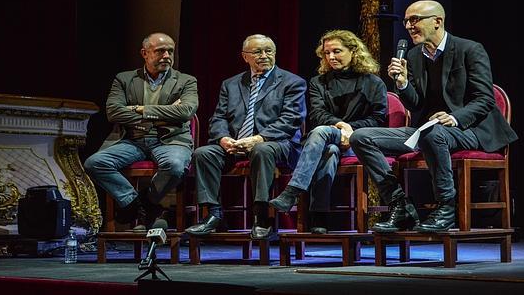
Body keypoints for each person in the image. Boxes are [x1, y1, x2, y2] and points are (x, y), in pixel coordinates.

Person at [350, 0, 518, 233]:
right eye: (407, 21)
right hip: (430, 129)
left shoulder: (469, 49)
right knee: (360, 137)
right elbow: (416, 103)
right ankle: (400, 204)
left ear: (437, 21)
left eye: (415, 19)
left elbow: (485, 99)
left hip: (473, 129)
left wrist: (455, 117)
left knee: (433, 133)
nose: (409, 26)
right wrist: (403, 83)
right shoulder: (414, 55)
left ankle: (446, 207)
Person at [186, 34, 307, 240]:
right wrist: (224, 139)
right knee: (203, 153)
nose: (264, 55)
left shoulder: (292, 82)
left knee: (261, 150)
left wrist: (258, 139)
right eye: (257, 52)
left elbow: (291, 119)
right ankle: (213, 215)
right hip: (236, 144)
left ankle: (262, 216)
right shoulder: (231, 84)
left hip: (277, 144)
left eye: (269, 51)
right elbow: (219, 118)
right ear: (245, 57)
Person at [269, 30, 387, 234]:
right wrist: (341, 126)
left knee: (325, 140)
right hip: (323, 140)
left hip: (358, 141)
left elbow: (379, 118)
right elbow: (317, 114)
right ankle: (318, 215)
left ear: (354, 51)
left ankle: (294, 193)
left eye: (337, 51)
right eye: (326, 53)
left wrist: (351, 130)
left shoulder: (373, 82)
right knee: (329, 147)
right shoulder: (318, 82)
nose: (331, 57)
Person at [84, 32, 199, 231]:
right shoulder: (124, 79)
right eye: (160, 51)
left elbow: (186, 111)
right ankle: (135, 204)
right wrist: (163, 116)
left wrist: (140, 109)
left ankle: (146, 202)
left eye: (170, 51)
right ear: (144, 53)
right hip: (132, 140)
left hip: (170, 140)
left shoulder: (186, 81)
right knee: (95, 163)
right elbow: (113, 112)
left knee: (175, 166)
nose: (166, 56)